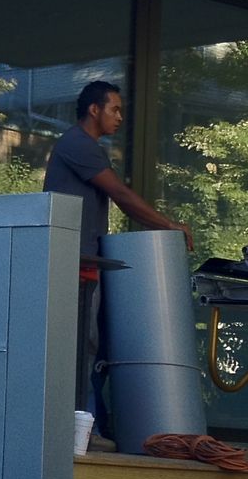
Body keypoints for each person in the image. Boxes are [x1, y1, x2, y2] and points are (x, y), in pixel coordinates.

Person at [44, 80, 195, 441]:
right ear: (94, 110)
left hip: (86, 262)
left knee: (91, 346)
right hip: (73, 265)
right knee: (80, 346)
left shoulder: (83, 146)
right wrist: (169, 225)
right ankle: (77, 430)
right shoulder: (77, 144)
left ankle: (87, 425)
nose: (120, 117)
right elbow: (122, 194)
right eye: (115, 109)